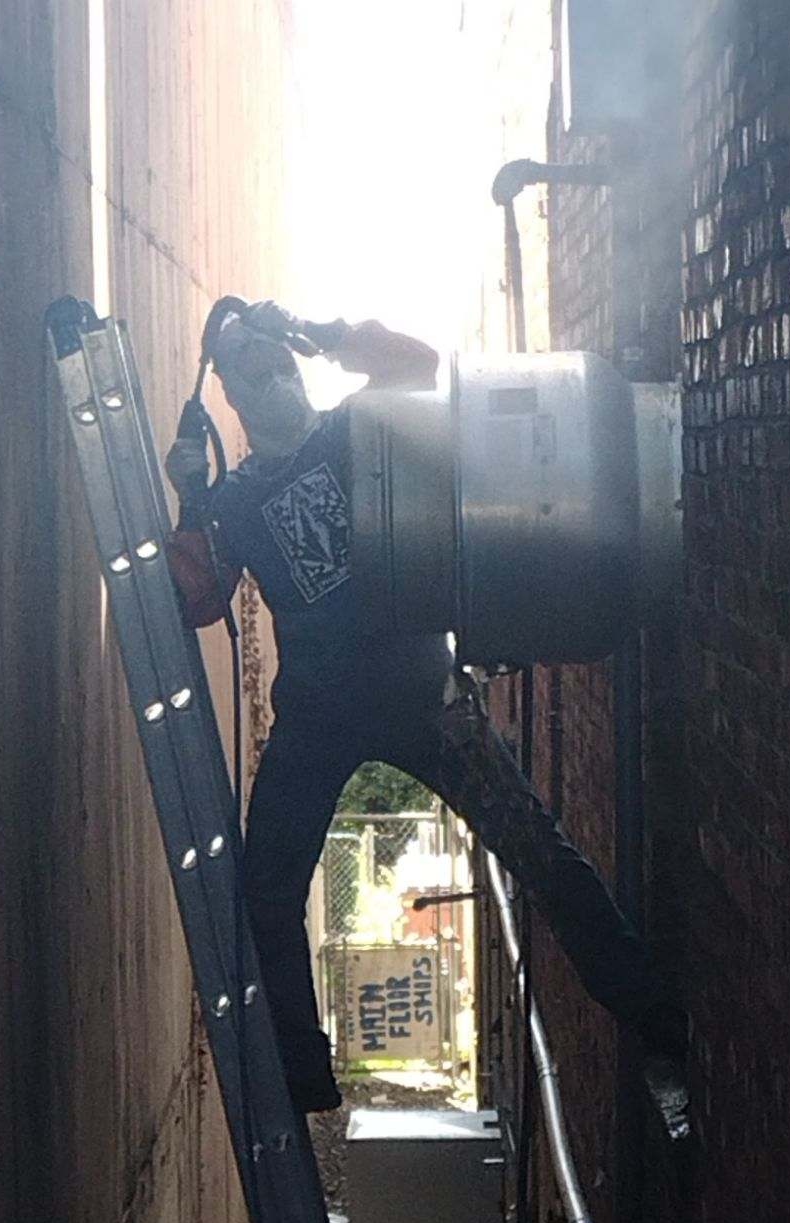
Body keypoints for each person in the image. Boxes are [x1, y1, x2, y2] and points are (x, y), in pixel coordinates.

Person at [164, 301, 689, 1118]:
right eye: (252, 375)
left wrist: (320, 330)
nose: (272, 383)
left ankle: (656, 1016)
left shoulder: (355, 429)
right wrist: (192, 500)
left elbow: (416, 366)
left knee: (538, 853)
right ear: (230, 397)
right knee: (265, 889)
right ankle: (303, 1075)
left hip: (421, 694)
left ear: (296, 368)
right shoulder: (236, 500)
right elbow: (199, 603)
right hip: (321, 713)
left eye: (278, 366)